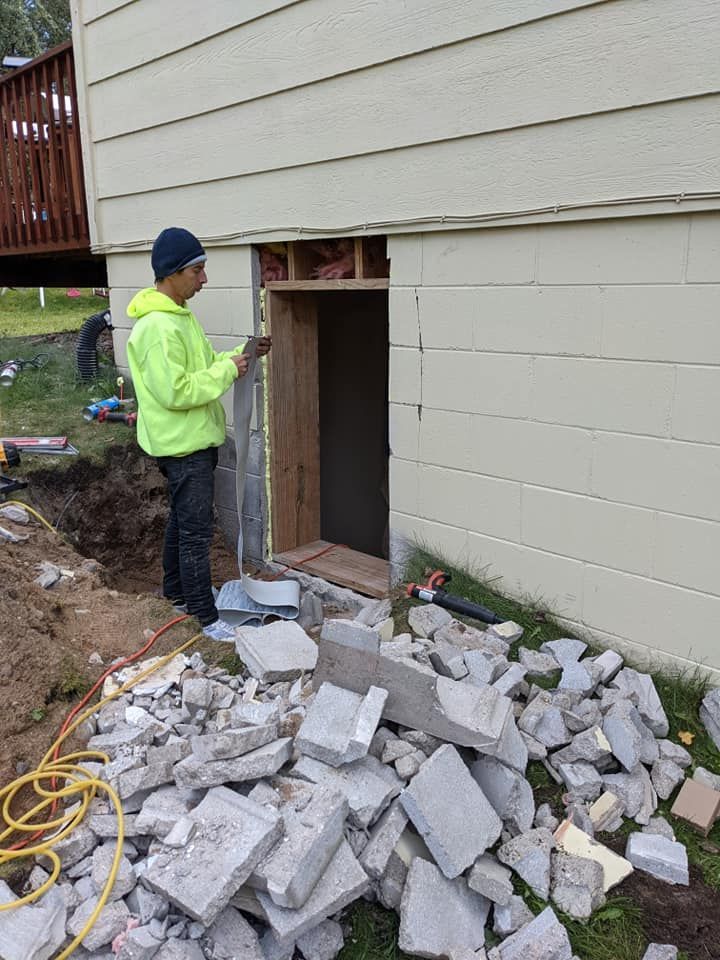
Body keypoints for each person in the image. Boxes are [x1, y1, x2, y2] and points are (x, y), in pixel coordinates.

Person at [126, 227, 271, 641]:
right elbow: (176, 391)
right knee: (195, 532)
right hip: (182, 446)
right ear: (172, 273)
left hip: (192, 442)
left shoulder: (179, 317)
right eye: (197, 270)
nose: (203, 279)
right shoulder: (158, 328)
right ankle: (205, 618)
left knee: (182, 523)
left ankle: (177, 592)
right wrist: (228, 371)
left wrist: (241, 355)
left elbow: (203, 365)